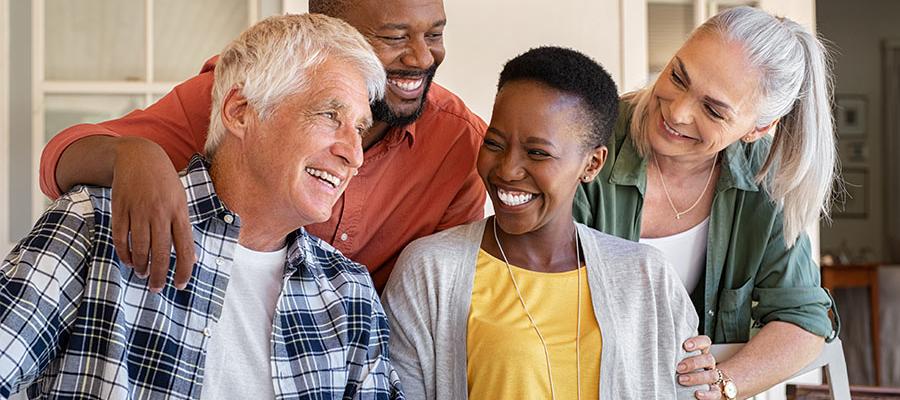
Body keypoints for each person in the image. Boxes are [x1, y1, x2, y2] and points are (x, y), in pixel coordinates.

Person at [0, 14, 402, 399]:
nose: (354, 154)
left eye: (360, 129)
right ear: (240, 112)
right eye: (330, 115)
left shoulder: (349, 293)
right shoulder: (96, 223)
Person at [38, 0, 485, 293]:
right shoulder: (246, 96)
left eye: (434, 35)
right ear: (330, 34)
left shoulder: (459, 142)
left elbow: (438, 296)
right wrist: (133, 154)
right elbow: (59, 161)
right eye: (394, 37)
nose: (423, 58)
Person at [382, 47, 701, 399]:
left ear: (592, 164)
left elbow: (688, 388)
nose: (507, 169)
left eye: (537, 153)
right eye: (494, 143)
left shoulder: (646, 277)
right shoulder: (431, 270)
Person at [573, 6, 839, 399]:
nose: (677, 112)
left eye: (713, 110)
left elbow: (802, 320)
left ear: (759, 128)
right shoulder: (589, 137)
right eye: (678, 76)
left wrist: (721, 385)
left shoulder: (766, 183)